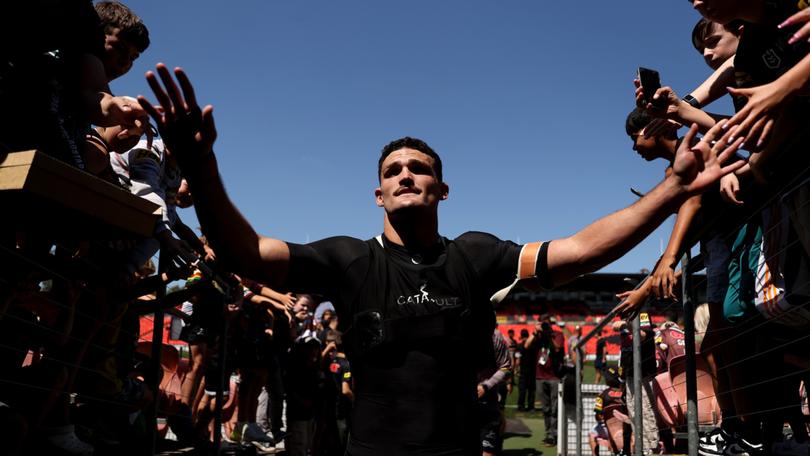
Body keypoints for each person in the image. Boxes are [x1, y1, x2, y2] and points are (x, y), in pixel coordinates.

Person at [138, 63, 745, 455]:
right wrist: (203, 171)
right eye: (392, 171)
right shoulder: (346, 260)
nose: (405, 174)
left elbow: (583, 252)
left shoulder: (476, 255)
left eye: (419, 168)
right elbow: (247, 253)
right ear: (377, 193)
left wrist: (673, 190)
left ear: (442, 190)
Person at [524, 317, 565, 446]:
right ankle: (548, 434)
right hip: (540, 377)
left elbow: (557, 348)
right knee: (545, 409)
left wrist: (549, 334)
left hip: (554, 377)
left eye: (547, 324)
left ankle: (555, 435)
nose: (545, 326)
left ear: (551, 324)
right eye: (543, 324)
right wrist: (536, 332)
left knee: (554, 409)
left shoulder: (557, 334)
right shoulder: (539, 336)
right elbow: (526, 345)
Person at [515, 328, 537, 412]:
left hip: (523, 371)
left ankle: (521, 406)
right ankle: (531, 407)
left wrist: (516, 369)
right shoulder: (534, 346)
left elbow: (517, 360)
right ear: (528, 335)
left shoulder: (519, 346)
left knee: (522, 390)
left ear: (521, 335)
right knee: (531, 390)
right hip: (532, 371)